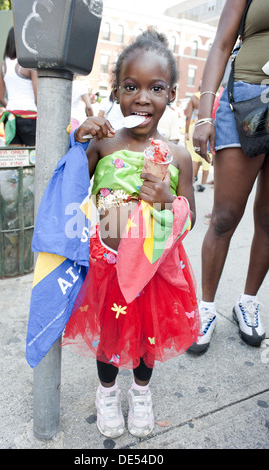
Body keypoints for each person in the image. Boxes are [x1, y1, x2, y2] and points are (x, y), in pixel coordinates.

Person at [62, 29, 201, 439]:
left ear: (172, 94)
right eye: (131, 86)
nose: (142, 97)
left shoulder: (177, 155)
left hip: (154, 267)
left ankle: (141, 392)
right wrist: (78, 138)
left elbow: (189, 217)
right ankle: (107, 392)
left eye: (155, 88)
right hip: (107, 261)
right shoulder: (104, 145)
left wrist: (165, 202)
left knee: (146, 336)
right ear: (116, 91)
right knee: (109, 334)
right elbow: (69, 183)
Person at [189, 0, 268, 354]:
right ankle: (205, 308)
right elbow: (222, 42)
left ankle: (247, 302)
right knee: (223, 218)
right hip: (245, 103)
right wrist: (204, 114)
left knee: (268, 220)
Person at [0, 27, 37, 146]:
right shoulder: (30, 63)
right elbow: (38, 98)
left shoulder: (4, 64)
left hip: (10, 118)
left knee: (16, 158)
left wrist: (13, 108)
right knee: (35, 159)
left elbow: (0, 98)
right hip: (30, 116)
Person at [185, 87, 212, 191]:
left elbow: (188, 116)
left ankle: (191, 181)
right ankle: (203, 184)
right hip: (209, 126)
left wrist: (186, 132)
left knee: (194, 155)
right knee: (207, 154)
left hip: (195, 126)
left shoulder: (193, 98)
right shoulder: (211, 97)